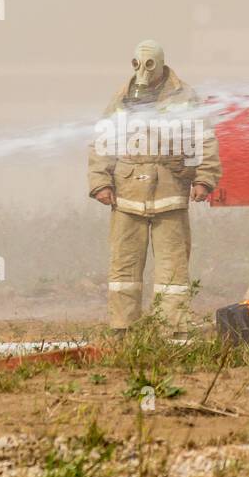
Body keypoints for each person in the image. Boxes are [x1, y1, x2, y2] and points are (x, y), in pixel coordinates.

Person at [87, 40, 221, 338]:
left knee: (172, 270)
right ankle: (123, 327)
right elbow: (102, 141)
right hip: (126, 195)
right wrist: (100, 182)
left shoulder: (185, 97)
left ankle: (171, 329)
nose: (143, 72)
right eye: (137, 64)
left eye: (149, 65)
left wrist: (204, 178)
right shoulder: (121, 98)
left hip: (170, 192)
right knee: (124, 266)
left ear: (161, 64)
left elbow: (205, 139)